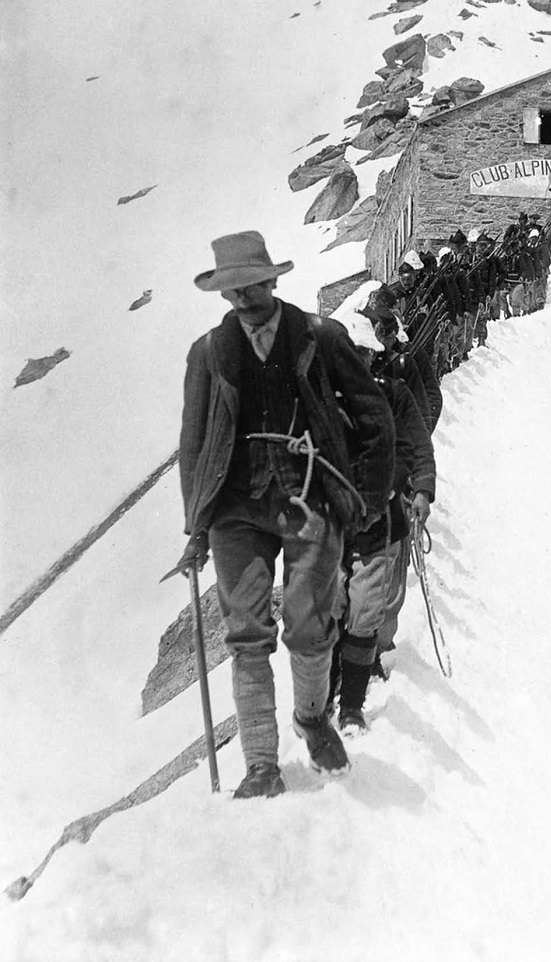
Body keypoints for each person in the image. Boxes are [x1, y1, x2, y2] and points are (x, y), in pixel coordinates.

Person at [178, 231, 395, 798]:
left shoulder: (319, 337)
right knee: (247, 635)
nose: (244, 299)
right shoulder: (208, 353)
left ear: (274, 280)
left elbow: (376, 420)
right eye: (232, 290)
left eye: (252, 285)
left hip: (311, 500)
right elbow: (195, 443)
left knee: (308, 627)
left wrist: (366, 501)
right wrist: (195, 525)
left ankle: (313, 719)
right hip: (235, 510)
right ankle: (260, 765)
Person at [331, 311, 435, 730]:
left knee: (371, 608)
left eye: (364, 355)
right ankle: (329, 691)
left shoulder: (393, 396)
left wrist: (421, 489)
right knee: (332, 612)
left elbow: (416, 444)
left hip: (382, 521)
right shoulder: (321, 401)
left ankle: (355, 696)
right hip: (332, 526)